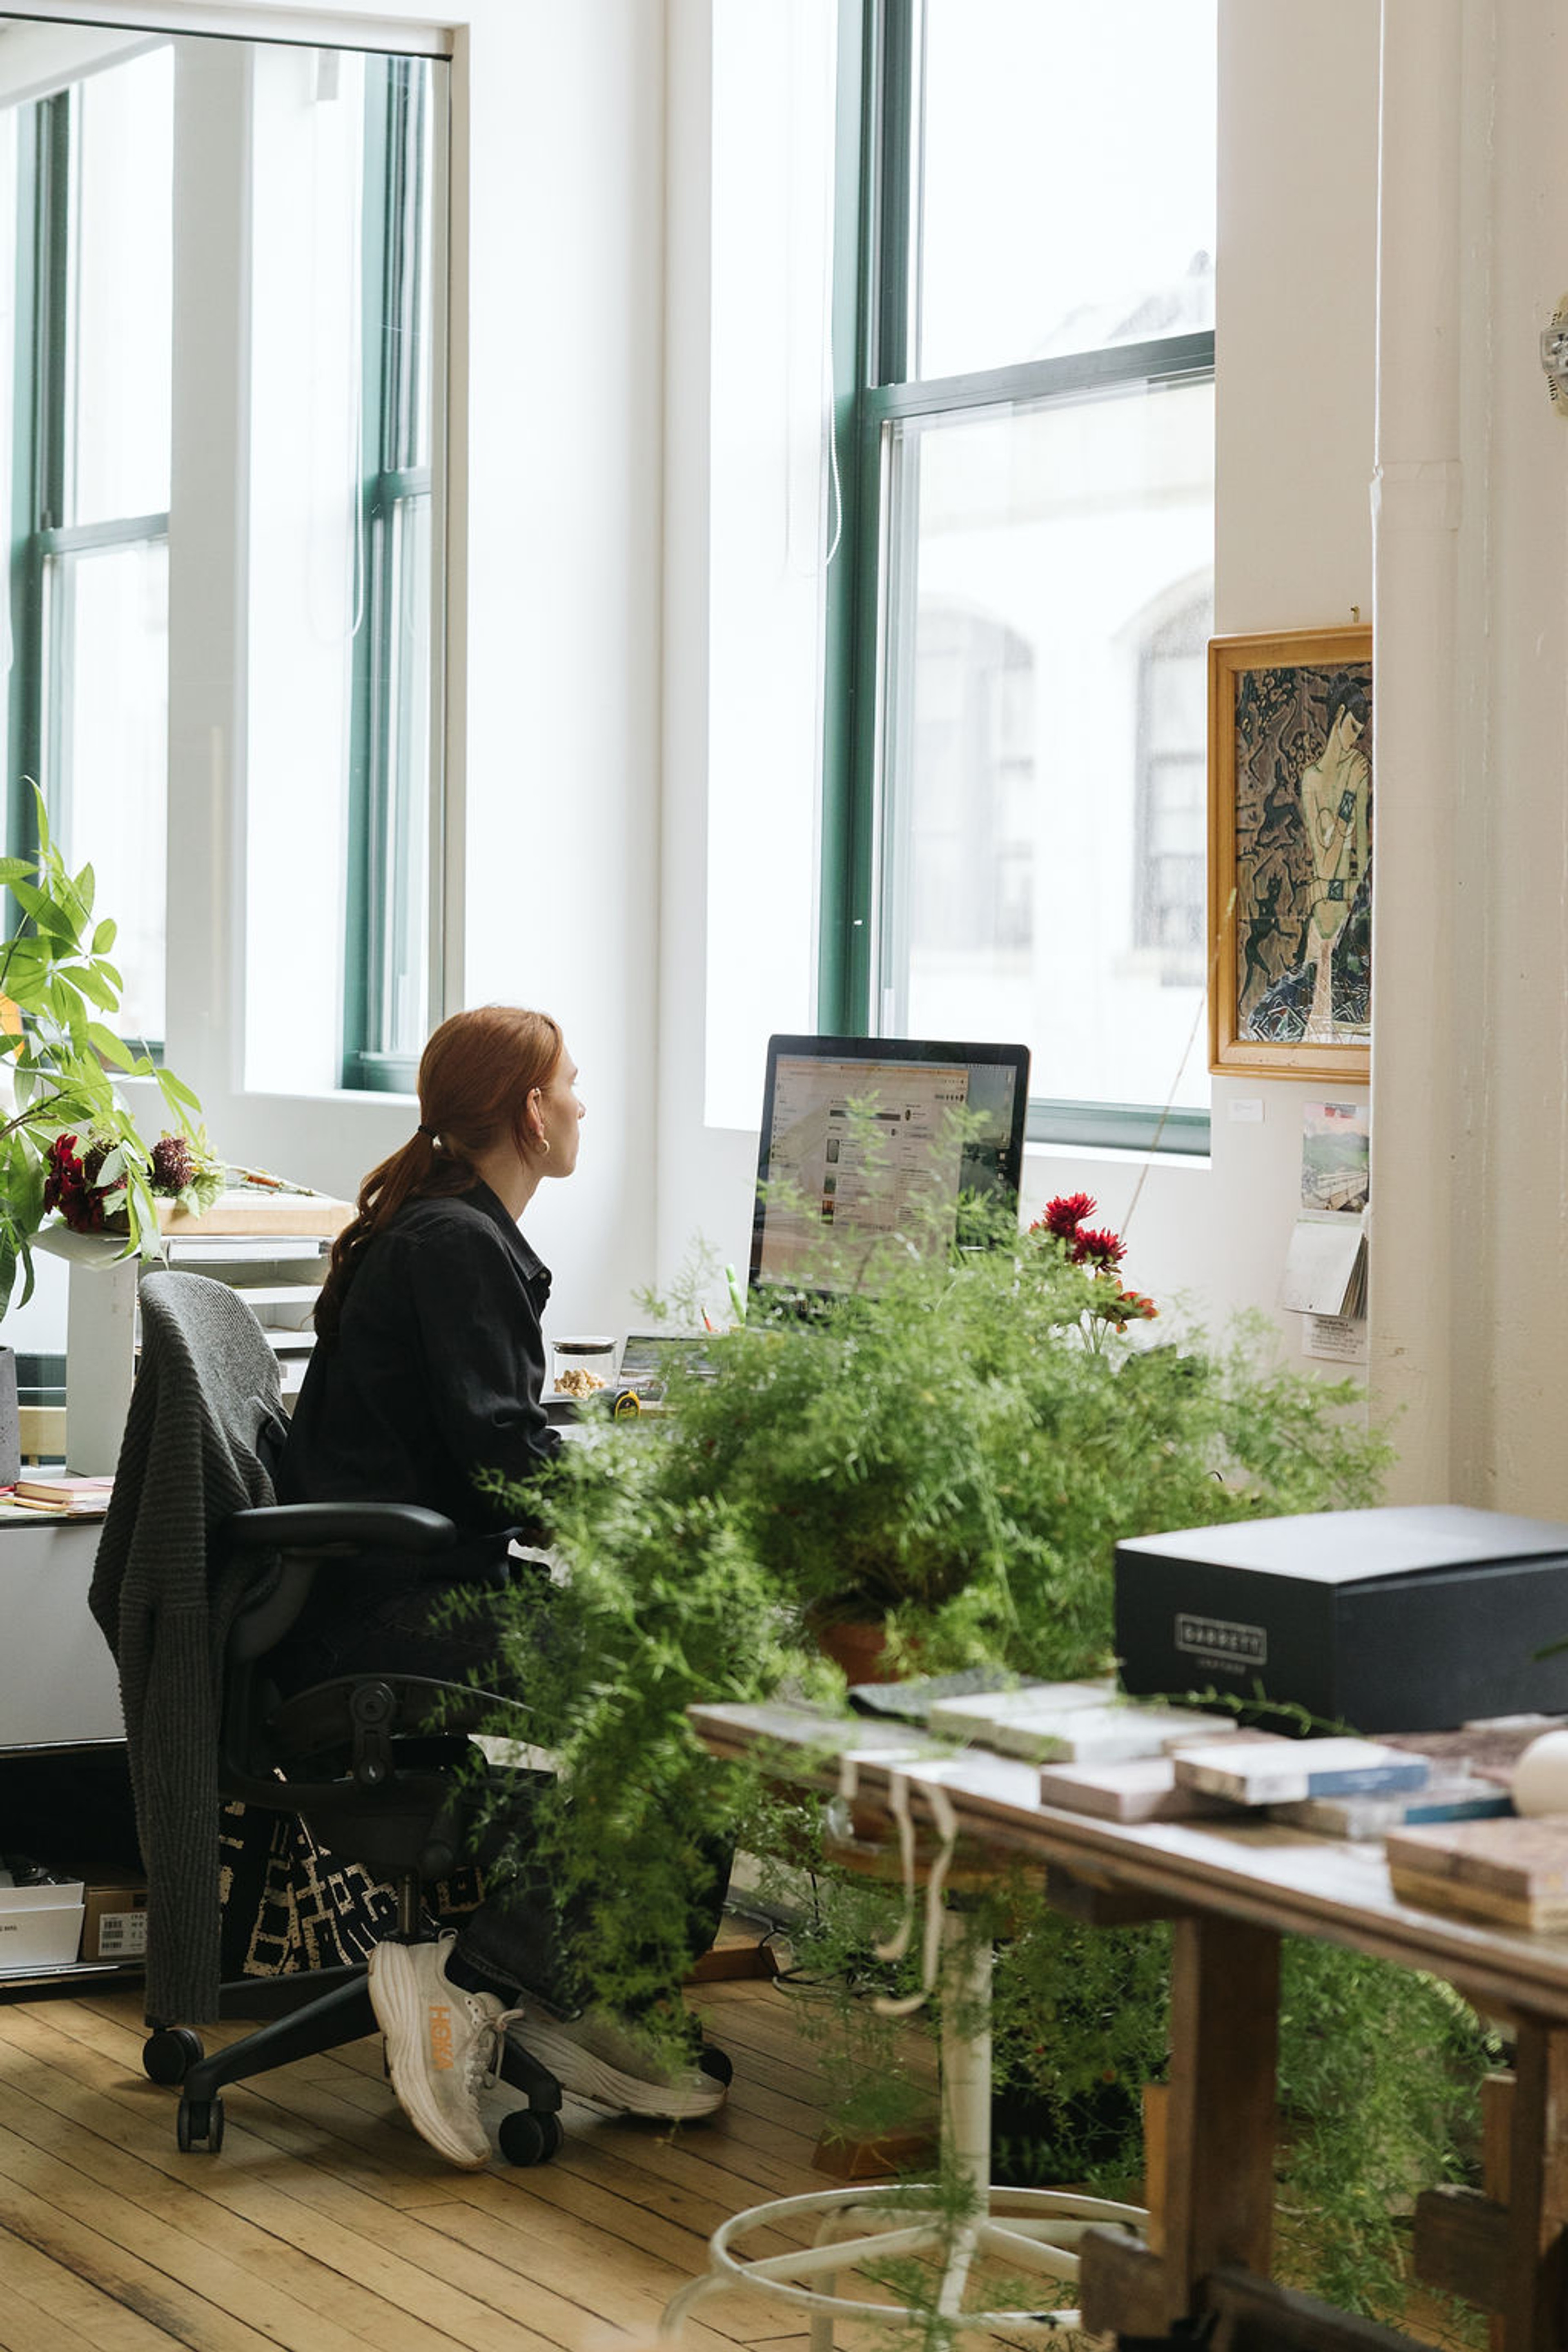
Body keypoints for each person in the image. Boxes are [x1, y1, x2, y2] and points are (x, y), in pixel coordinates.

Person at [276, 1004, 728, 2168]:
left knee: (685, 1688)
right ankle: (478, 1979)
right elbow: (503, 1464)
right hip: (388, 1618)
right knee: (686, 1694)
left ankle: (578, 1993)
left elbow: (489, 1442)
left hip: (381, 1598)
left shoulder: (444, 1230)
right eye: (569, 1083)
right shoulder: (456, 1245)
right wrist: (649, 1531)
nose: (581, 1102)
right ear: (531, 1111)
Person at [1298, 677, 1370, 1042]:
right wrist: (1344, 807)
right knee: (1315, 1019)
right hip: (1323, 905)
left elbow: (1361, 846)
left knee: (1344, 1026)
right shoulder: (1311, 780)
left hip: (1347, 906)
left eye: (1360, 734)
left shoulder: (1357, 767)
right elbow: (1323, 861)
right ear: (1339, 715)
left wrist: (1356, 894)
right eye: (1352, 728)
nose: (1355, 740)